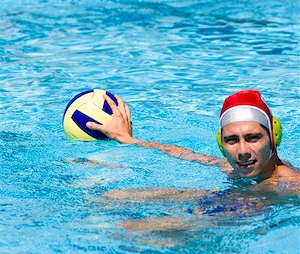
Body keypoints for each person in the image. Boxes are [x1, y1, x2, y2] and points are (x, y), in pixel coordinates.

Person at [86, 90, 299, 231]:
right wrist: (129, 140)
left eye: (253, 138)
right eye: (232, 140)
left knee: (133, 230)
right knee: (113, 196)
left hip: (246, 216)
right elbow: (186, 154)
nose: (242, 151)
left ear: (273, 138)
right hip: (229, 202)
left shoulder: (290, 183)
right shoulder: (239, 167)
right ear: (221, 145)